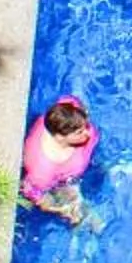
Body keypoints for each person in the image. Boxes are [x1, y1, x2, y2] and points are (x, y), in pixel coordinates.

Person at [20, 95, 98, 223]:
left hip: (88, 161)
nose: (87, 133)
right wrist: (57, 208)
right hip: (63, 182)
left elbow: (69, 99)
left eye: (86, 126)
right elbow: (28, 188)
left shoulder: (67, 114)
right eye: (79, 132)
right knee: (83, 216)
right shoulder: (43, 171)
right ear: (60, 137)